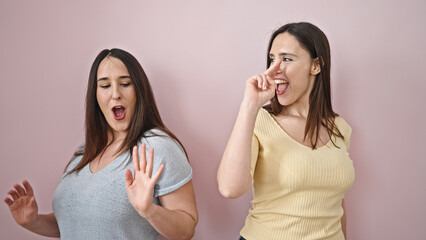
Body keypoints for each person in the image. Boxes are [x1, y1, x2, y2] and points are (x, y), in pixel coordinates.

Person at [4, 48, 198, 240]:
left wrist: (149, 211)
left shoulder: (157, 146)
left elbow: (186, 229)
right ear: (95, 96)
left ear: (139, 91)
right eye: (105, 86)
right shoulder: (84, 153)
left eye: (125, 83)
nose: (115, 94)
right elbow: (76, 224)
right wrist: (33, 222)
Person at [217, 22, 355, 240]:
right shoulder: (259, 120)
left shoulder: (339, 128)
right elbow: (229, 188)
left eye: (287, 59)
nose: (275, 69)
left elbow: (337, 203)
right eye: (272, 59)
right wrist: (249, 105)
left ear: (316, 65)